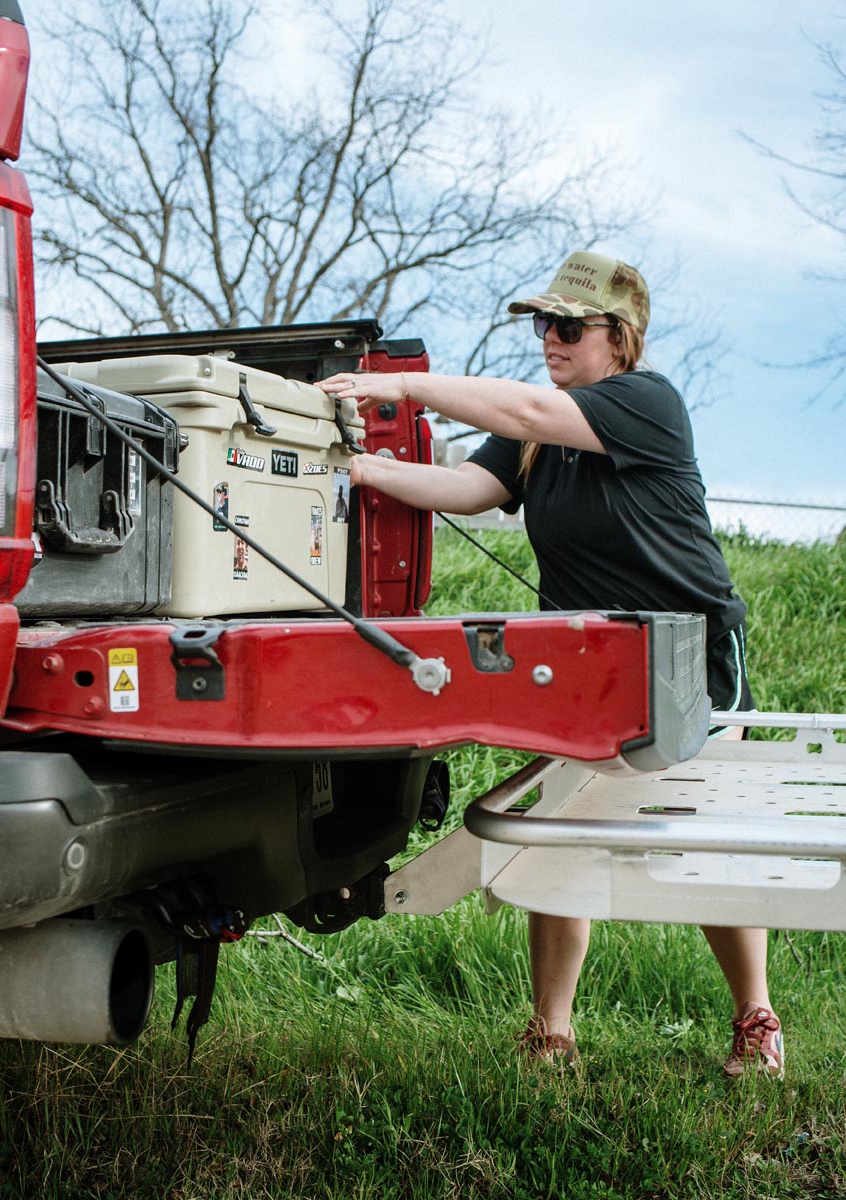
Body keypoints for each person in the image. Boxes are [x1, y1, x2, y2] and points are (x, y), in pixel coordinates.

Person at [316, 250, 783, 1079]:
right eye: (543, 324)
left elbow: (529, 407)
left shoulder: (645, 402)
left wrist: (406, 387)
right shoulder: (532, 439)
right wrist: (361, 470)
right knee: (559, 831)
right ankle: (552, 1032)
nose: (550, 340)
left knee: (703, 838)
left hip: (686, 656)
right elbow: (467, 488)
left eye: (568, 326)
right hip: (584, 664)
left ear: (620, 338)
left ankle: (755, 1017)